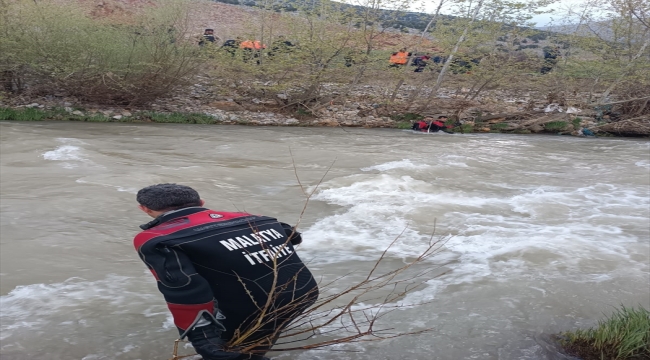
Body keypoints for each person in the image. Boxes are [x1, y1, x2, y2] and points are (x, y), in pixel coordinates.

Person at [133, 184, 319, 360]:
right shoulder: (254, 218)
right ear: (202, 203)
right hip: (303, 291)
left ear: (145, 209)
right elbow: (292, 235)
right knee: (256, 341)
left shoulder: (156, 239)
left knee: (228, 350)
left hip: (250, 305)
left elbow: (183, 287)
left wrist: (202, 337)